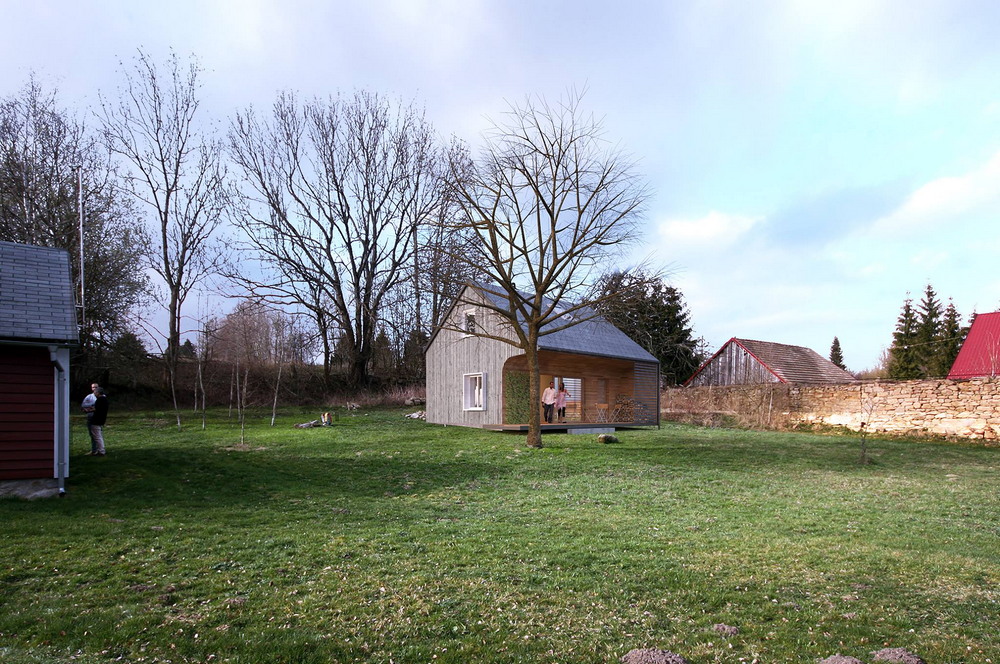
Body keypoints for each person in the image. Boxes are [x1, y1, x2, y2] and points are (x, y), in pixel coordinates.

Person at [89, 387, 109, 456]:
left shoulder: (100, 399)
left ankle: (101, 451)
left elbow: (96, 409)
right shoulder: (105, 399)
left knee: (97, 436)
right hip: (101, 419)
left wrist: (88, 410)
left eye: (95, 392)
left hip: (96, 420)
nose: (94, 394)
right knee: (98, 435)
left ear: (98, 392)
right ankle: (99, 450)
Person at [81, 383, 99, 455]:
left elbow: (100, 406)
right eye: (93, 387)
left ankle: (99, 449)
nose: (94, 388)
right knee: (91, 434)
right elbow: (83, 405)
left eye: (95, 387)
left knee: (98, 434)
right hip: (90, 416)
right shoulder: (89, 396)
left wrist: (93, 406)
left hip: (98, 417)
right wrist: (92, 405)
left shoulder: (102, 396)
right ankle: (94, 450)